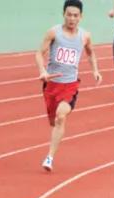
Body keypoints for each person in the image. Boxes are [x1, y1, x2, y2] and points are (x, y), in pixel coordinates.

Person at [35, 0, 102, 172]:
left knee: (61, 116)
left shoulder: (85, 36)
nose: (72, 18)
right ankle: (54, 136)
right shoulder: (54, 33)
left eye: (75, 15)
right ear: (63, 14)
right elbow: (39, 53)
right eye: (69, 15)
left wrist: (95, 70)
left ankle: (49, 157)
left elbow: (90, 53)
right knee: (53, 121)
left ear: (81, 17)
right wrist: (42, 70)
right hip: (51, 85)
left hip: (70, 85)